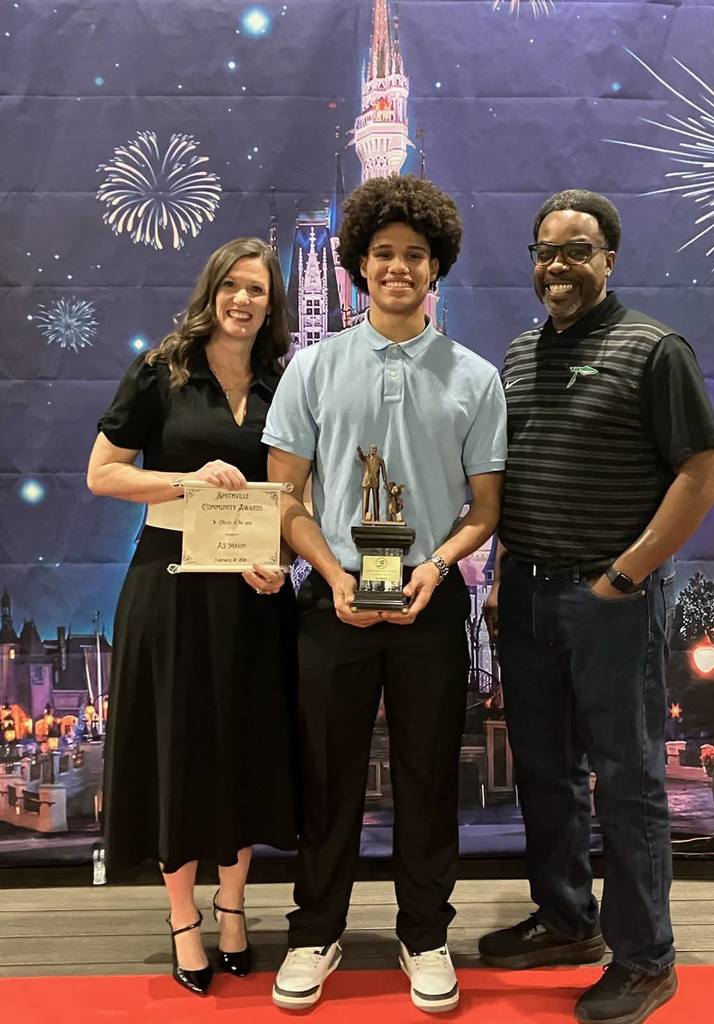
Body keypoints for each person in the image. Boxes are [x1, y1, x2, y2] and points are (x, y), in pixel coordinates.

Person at [259, 175, 507, 1013]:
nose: (398, 268)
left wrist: (438, 567)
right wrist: (330, 577)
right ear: (359, 267)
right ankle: (315, 932)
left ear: (436, 267)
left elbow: (486, 509)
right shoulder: (313, 368)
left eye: (414, 255)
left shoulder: (474, 376)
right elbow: (285, 499)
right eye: (383, 255)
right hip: (333, 604)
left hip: (429, 602)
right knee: (325, 775)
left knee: (428, 773)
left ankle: (425, 934)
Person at [479, 190, 714, 1024]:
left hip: (610, 602)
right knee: (546, 774)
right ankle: (565, 919)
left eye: (577, 250)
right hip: (528, 597)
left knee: (627, 779)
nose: (558, 265)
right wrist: (503, 577)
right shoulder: (517, 357)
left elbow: (702, 475)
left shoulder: (655, 350)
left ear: (609, 260)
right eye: (546, 250)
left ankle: (646, 957)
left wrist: (624, 575)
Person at [87, 238, 299, 996]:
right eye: (234, 286)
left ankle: (233, 906)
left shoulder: (285, 381)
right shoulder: (163, 370)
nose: (245, 301)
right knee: (179, 749)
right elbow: (101, 473)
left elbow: (291, 494)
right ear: (212, 290)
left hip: (252, 590)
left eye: (260, 291)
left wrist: (281, 557)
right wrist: (185, 481)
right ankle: (184, 920)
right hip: (171, 586)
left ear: (275, 304)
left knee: (242, 748)